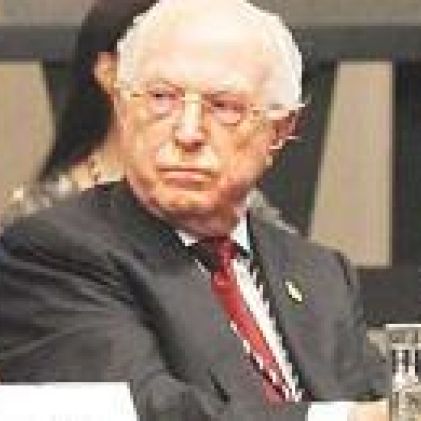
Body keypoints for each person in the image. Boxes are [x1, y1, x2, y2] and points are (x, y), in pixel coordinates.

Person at [0, 0, 387, 420]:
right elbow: (149, 411)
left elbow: (385, 403)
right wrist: (346, 418)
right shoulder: (53, 252)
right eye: (161, 98)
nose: (187, 133)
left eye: (224, 106)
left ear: (279, 130)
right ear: (123, 109)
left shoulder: (320, 273)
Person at [1, 0, 290, 235]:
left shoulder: (238, 209)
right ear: (110, 73)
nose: (189, 128)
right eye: (164, 92)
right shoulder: (37, 221)